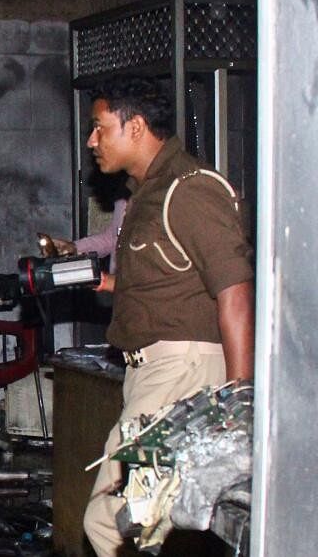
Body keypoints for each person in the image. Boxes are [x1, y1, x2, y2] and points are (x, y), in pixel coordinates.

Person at [80, 77, 254, 556]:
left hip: (181, 372)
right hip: (155, 374)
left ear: (134, 127)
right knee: (150, 524)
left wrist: (238, 406)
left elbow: (235, 292)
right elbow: (169, 282)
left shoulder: (189, 190)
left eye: (99, 128)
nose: (92, 140)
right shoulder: (149, 195)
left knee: (111, 522)